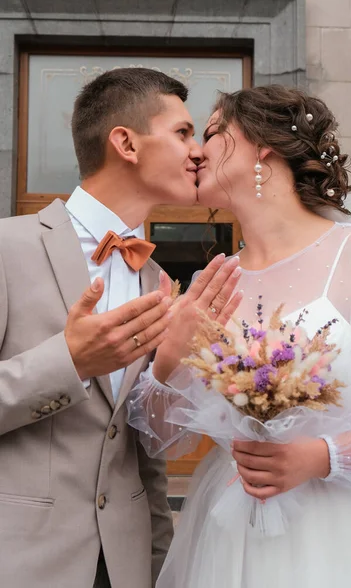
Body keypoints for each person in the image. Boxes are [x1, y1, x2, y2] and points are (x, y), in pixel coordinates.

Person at [128, 85, 351, 588]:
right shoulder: (214, 283)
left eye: (210, 133)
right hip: (229, 536)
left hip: (347, 532)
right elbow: (160, 438)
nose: (194, 151)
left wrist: (321, 455)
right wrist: (168, 357)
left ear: (263, 147)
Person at [0, 67, 242, 588]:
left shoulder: (158, 281)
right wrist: (70, 362)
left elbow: (140, 453)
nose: (199, 151)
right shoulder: (7, 246)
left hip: (126, 566)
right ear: (126, 143)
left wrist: (158, 564)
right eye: (182, 133)